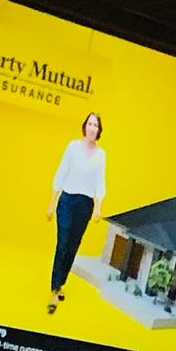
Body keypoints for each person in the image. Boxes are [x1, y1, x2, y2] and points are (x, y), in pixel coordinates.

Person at [45, 111, 106, 315]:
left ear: (99, 131)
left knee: (73, 245)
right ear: (84, 126)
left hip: (85, 204)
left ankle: (60, 283)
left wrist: (97, 207)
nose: (92, 128)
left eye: (95, 125)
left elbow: (100, 182)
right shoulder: (72, 147)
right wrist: (52, 203)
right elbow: (61, 173)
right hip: (67, 200)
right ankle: (54, 290)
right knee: (62, 242)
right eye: (89, 124)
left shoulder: (101, 155)